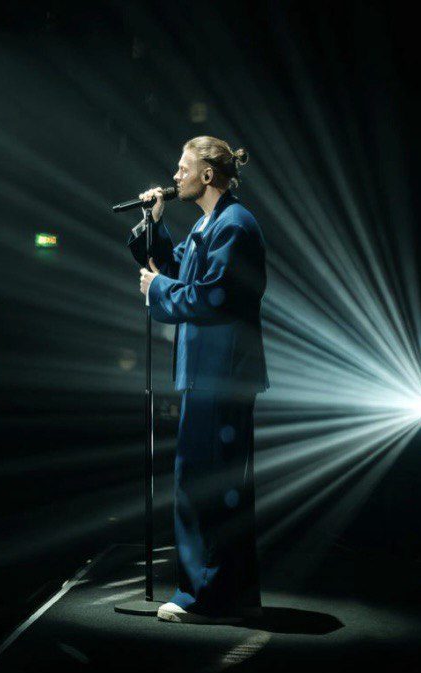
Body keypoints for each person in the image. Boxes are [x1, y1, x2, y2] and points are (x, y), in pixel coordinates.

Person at [127, 135, 269, 624]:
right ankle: (233, 593)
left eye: (183, 168)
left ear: (207, 175)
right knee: (220, 485)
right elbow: (174, 271)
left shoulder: (235, 225)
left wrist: (158, 290)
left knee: (203, 484)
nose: (174, 176)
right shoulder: (211, 224)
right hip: (209, 374)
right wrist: (154, 223)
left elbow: (211, 297)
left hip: (220, 375)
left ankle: (203, 597)